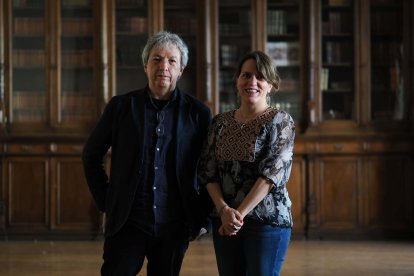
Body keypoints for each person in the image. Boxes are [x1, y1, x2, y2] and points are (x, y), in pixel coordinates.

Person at [82, 31, 212, 276]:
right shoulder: (120, 107)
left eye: (172, 61)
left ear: (181, 69)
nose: (164, 66)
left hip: (174, 226)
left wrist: (202, 216)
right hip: (127, 224)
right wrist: (107, 202)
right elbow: (90, 157)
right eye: (156, 59)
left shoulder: (198, 114)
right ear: (145, 65)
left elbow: (211, 168)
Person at [198, 50, 295, 276]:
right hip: (224, 219)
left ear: (270, 85)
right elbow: (207, 171)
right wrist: (223, 210)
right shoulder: (220, 122)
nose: (252, 82)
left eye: (260, 77)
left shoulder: (281, 121)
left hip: (266, 222)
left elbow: (271, 175)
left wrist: (237, 216)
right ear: (237, 81)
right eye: (246, 75)